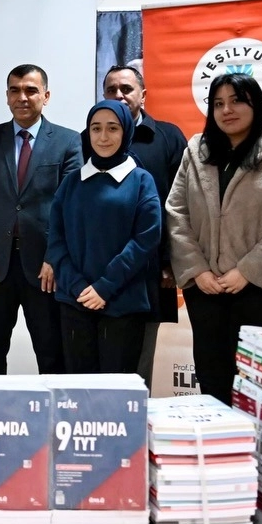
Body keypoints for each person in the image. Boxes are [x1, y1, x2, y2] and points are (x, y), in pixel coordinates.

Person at [165, 73, 262, 404]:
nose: (226, 110)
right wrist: (198, 270)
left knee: (257, 390)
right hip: (206, 290)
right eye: (218, 104)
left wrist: (246, 270)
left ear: (256, 104)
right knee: (212, 381)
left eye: (236, 101)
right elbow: (176, 213)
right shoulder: (196, 151)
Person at [0, 64, 81, 375]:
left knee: (52, 354)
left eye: (30, 90)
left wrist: (55, 257)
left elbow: (71, 209)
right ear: (7, 96)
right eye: (14, 90)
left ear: (46, 96)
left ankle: (56, 409)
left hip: (45, 267)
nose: (22, 97)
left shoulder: (68, 142)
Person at [46, 100, 161, 374]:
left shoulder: (141, 180)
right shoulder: (72, 182)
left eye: (113, 128)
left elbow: (145, 240)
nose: (103, 137)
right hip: (75, 302)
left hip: (122, 303)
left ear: (126, 132)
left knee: (115, 391)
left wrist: (104, 288)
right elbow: (55, 239)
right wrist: (78, 287)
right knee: (79, 389)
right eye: (96, 128)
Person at [103, 63, 188, 387]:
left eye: (126, 89)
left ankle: (135, 416)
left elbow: (182, 204)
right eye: (111, 90)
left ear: (143, 95)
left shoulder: (168, 137)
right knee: (102, 354)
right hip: (101, 267)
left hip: (151, 267)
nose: (119, 95)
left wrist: (169, 261)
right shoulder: (89, 139)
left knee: (140, 357)